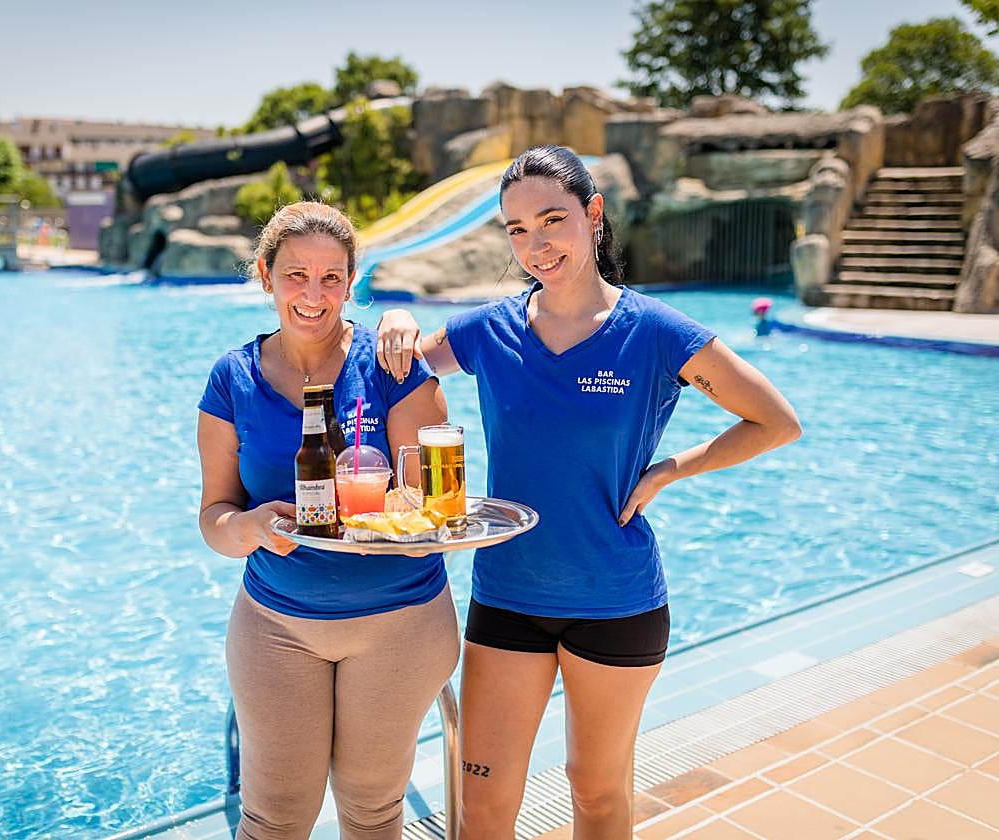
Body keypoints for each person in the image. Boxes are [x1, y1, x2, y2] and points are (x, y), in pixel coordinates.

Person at [376, 146, 801, 839]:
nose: (536, 245)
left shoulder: (658, 333)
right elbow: (393, 370)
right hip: (509, 595)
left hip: (615, 598)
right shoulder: (490, 331)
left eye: (552, 221)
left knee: (596, 795)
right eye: (517, 230)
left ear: (593, 214)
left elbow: (775, 422)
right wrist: (394, 319)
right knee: (480, 805)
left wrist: (671, 469)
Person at [196, 201, 460, 840]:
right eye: (295, 275)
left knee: (372, 815)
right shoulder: (232, 379)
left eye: (332, 277)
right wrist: (251, 529)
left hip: (399, 623)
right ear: (264, 274)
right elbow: (214, 516)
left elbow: (434, 504)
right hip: (276, 626)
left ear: (351, 281)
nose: (314, 295)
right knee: (272, 819)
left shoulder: (394, 365)